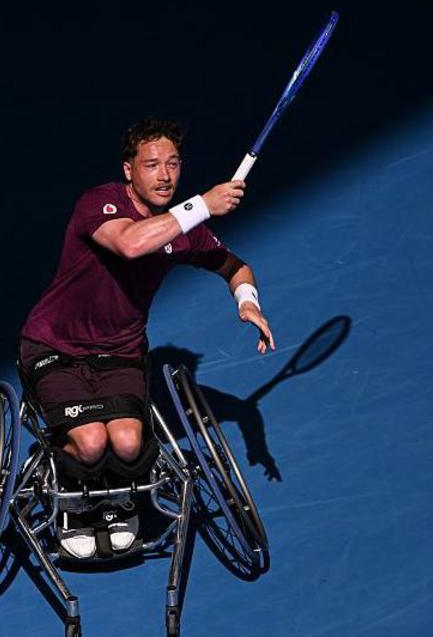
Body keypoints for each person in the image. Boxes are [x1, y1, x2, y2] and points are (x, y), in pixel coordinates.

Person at [18, 116, 275, 558]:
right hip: (54, 347)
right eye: (152, 165)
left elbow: (235, 266)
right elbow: (132, 244)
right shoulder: (98, 203)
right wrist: (202, 205)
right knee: (90, 442)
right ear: (129, 170)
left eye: (173, 164)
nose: (165, 176)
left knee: (128, 443)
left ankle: (115, 504)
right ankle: (75, 506)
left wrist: (246, 300)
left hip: (121, 352)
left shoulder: (184, 231)